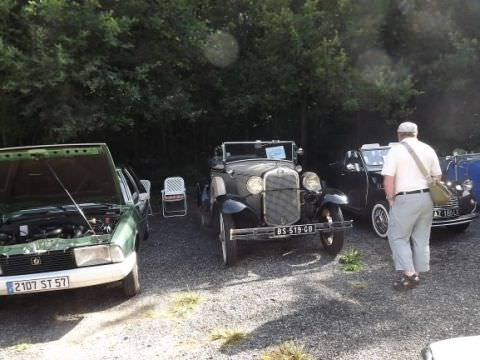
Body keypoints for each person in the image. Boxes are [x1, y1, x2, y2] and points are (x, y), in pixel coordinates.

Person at [381, 121, 442, 290]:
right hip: (427, 199)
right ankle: (419, 272)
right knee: (421, 238)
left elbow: (388, 179)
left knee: (399, 237)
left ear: (399, 134)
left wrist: (390, 198)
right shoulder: (428, 149)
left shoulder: (395, 151)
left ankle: (409, 275)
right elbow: (437, 176)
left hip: (405, 199)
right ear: (416, 133)